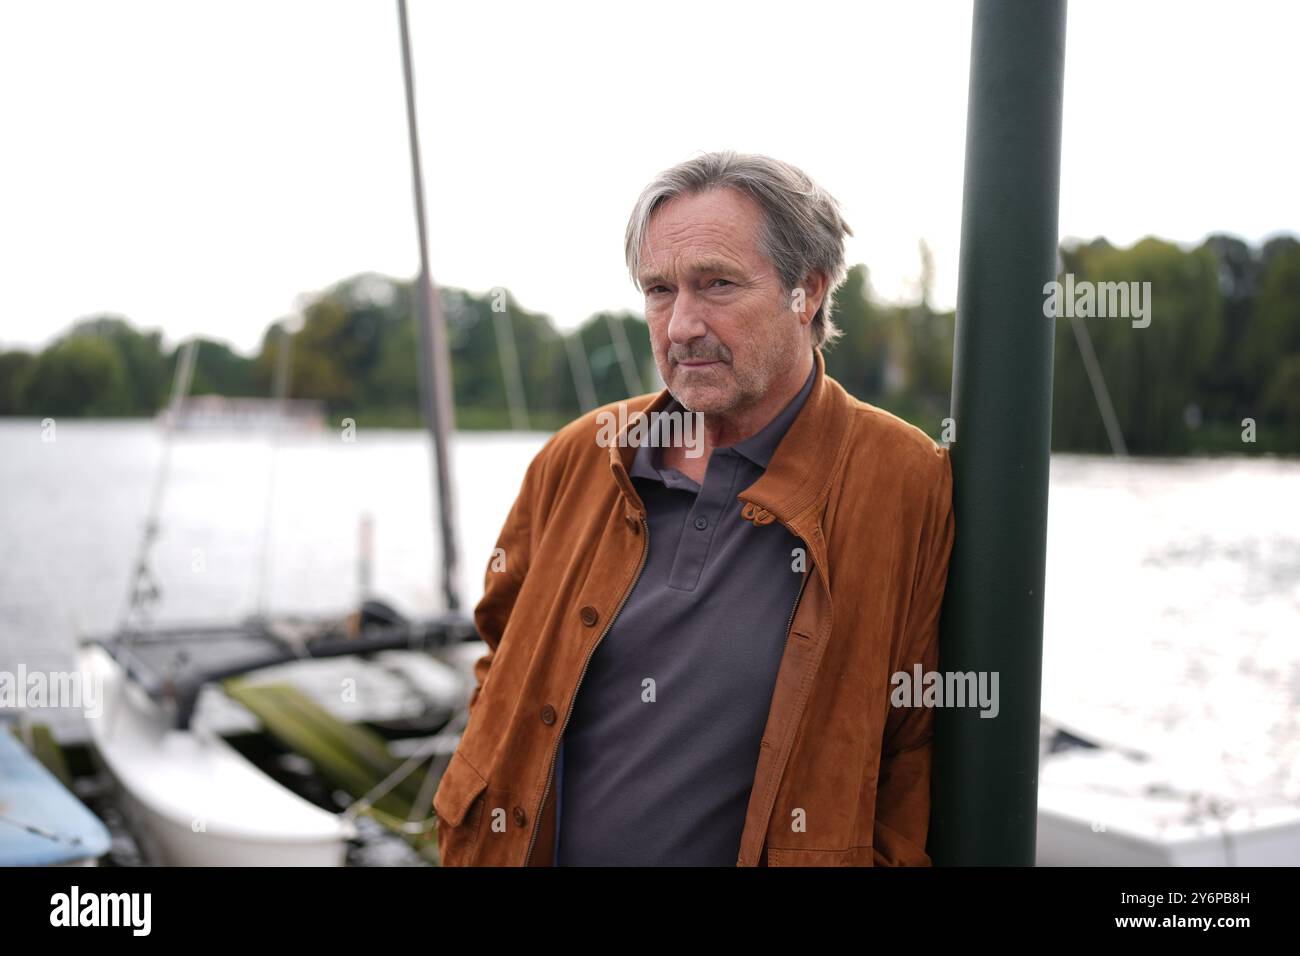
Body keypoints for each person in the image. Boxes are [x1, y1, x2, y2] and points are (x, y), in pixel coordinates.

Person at [433, 150, 955, 867]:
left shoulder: (904, 480)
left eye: (716, 285)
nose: (680, 325)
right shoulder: (582, 456)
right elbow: (503, 654)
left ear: (807, 291)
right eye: (658, 290)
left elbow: (918, 739)